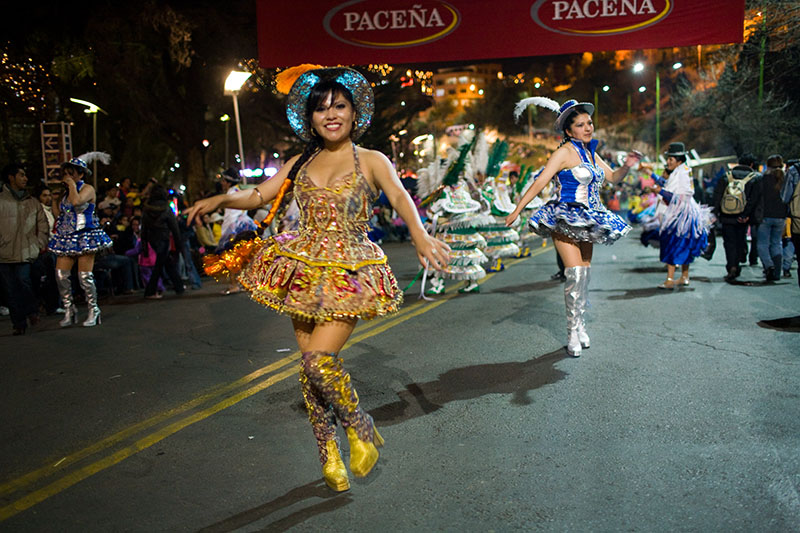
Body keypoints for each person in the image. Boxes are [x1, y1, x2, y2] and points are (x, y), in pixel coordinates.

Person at [186, 66, 449, 492]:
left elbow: (400, 196)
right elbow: (258, 195)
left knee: (318, 361)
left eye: (339, 106)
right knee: (309, 370)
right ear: (310, 117)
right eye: (321, 108)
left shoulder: (373, 160)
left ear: (353, 113)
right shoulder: (300, 161)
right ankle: (328, 452)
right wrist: (220, 197)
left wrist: (420, 236)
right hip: (303, 267)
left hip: (349, 268)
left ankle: (359, 427)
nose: (331, 115)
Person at [506, 97, 641, 357]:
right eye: (580, 125)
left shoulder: (590, 152)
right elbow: (540, 182)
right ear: (568, 131)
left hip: (589, 219)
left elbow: (612, 178)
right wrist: (517, 210)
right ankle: (571, 333)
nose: (588, 128)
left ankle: (580, 325)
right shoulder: (563, 153)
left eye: (589, 122)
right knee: (575, 274)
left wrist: (627, 165)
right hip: (565, 217)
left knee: (585, 276)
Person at [49, 152, 113, 327]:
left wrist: (70, 186)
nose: (68, 177)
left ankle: (94, 310)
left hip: (85, 235)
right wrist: (55, 200)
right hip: (66, 237)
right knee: (61, 275)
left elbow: (77, 202)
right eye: (66, 173)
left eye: (72, 173)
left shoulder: (87, 189)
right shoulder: (66, 193)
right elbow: (59, 215)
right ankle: (70, 310)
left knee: (84, 276)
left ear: (81, 174)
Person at [645, 142, 713, 289]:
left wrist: (659, 191)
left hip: (679, 218)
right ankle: (684, 277)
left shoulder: (681, 174)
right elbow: (667, 184)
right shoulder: (681, 171)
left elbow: (679, 197)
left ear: (679, 160)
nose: (668, 161)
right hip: (685, 217)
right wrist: (650, 176)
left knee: (672, 245)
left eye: (671, 159)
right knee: (684, 245)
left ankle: (670, 280)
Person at [0, 163, 50, 335]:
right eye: (21, 175)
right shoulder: (1, 200)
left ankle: (32, 311)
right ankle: (18, 323)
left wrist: (38, 244)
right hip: (4, 252)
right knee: (10, 290)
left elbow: (43, 226)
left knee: (24, 281)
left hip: (27, 251)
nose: (25, 178)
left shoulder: (32, 203)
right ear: (11, 177)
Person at [712, 154, 762, 282]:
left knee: (729, 243)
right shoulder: (754, 178)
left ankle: (732, 266)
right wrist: (746, 215)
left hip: (726, 216)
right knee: (740, 239)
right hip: (742, 217)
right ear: (751, 165)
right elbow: (754, 200)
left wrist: (714, 214)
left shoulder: (726, 176)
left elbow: (717, 196)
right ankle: (740, 258)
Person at [141, 183, 184, 299]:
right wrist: (178, 243)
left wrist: (144, 244)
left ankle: (179, 286)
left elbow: (143, 227)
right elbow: (174, 227)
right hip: (163, 237)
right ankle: (150, 291)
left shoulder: (147, 208)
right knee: (160, 264)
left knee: (165, 262)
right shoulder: (166, 208)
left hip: (152, 238)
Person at [757, 155, 789, 282]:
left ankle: (769, 266)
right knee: (777, 243)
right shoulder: (785, 179)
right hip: (781, 216)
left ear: (768, 166)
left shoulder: (763, 179)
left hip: (765, 216)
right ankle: (777, 272)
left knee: (762, 244)